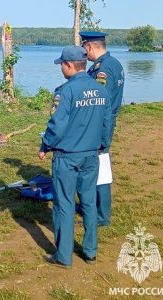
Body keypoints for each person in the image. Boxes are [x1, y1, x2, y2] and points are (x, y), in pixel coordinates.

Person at [38, 46, 111, 268]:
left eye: (62, 64)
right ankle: (90, 252)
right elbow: (107, 123)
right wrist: (103, 146)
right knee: (89, 202)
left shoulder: (65, 92)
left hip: (67, 157)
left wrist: (45, 145)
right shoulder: (101, 90)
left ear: (69, 65)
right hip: (91, 155)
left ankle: (63, 256)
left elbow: (57, 125)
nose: (61, 67)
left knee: (64, 204)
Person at [80, 31, 125, 226]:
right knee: (98, 164)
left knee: (98, 167)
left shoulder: (103, 69)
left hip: (100, 123)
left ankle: (101, 214)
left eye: (84, 48)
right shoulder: (114, 63)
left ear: (89, 46)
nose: (84, 53)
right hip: (106, 121)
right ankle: (95, 208)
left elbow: (98, 101)